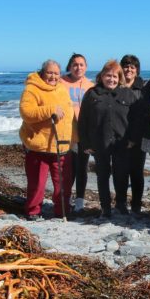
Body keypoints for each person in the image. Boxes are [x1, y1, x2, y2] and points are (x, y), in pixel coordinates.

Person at [77, 59, 146, 218]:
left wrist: (133, 139)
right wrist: (85, 143)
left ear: (120, 78)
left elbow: (137, 119)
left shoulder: (127, 94)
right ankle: (105, 207)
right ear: (101, 76)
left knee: (121, 174)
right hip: (99, 142)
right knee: (102, 175)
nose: (111, 79)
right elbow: (83, 120)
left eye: (115, 76)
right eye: (108, 76)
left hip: (122, 142)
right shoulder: (92, 93)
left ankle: (121, 204)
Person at [19, 59, 74, 220]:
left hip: (61, 146)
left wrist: (74, 138)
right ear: (42, 73)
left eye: (56, 73)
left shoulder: (62, 89)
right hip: (39, 146)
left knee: (63, 184)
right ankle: (33, 211)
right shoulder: (32, 88)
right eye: (49, 72)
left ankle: (62, 211)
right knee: (37, 183)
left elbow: (69, 115)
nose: (53, 76)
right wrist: (50, 110)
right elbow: (26, 112)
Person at [60, 53, 94, 213]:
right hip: (65, 133)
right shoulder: (60, 82)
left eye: (81, 64)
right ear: (69, 66)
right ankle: (65, 198)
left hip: (84, 134)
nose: (78, 67)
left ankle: (80, 200)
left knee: (82, 167)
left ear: (86, 67)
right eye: (75, 64)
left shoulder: (90, 85)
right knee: (67, 169)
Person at [120, 54, 150, 214]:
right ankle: (122, 203)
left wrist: (134, 138)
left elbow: (143, 116)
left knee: (137, 173)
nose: (129, 69)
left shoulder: (143, 88)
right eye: (125, 66)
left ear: (137, 70)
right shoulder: (116, 86)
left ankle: (136, 204)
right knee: (121, 172)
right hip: (119, 138)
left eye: (132, 66)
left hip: (137, 138)